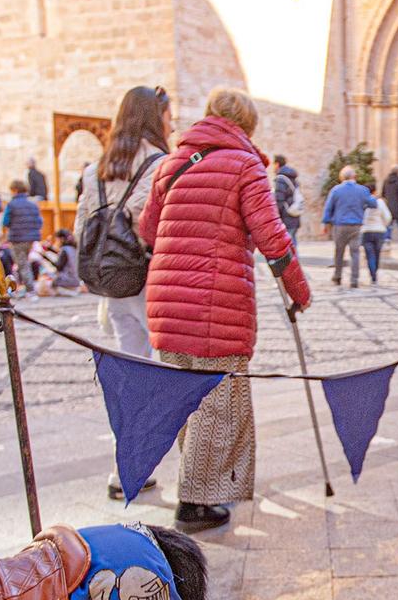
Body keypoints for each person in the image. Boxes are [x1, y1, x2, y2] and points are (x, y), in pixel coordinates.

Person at [138, 86, 313, 531]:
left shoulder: (172, 163)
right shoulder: (245, 165)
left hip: (166, 298)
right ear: (247, 126)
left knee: (183, 395)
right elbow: (272, 236)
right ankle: (195, 501)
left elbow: (148, 230)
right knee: (217, 401)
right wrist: (299, 291)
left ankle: (196, 487)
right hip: (217, 300)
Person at [82, 84, 172, 360]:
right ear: (157, 119)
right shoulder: (163, 166)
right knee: (166, 366)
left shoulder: (94, 171)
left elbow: (81, 227)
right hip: (148, 277)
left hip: (112, 280)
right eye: (170, 117)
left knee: (132, 362)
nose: (172, 126)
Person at [323, 164, 373, 288]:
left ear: (342, 177)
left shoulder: (336, 190)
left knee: (339, 252)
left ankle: (337, 276)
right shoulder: (362, 190)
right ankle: (354, 280)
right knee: (355, 253)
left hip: (340, 225)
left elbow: (328, 208)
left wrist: (325, 222)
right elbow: (373, 203)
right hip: (356, 225)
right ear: (354, 176)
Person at [2, 180, 44, 290]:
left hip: (17, 238)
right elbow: (39, 222)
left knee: (22, 263)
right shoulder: (33, 205)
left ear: (14, 190)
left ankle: (30, 288)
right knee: (25, 261)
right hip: (30, 238)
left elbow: (5, 221)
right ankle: (26, 286)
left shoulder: (11, 205)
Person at [360, 178, 390, 284]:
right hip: (379, 231)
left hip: (366, 231)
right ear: (375, 191)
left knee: (369, 255)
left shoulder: (363, 203)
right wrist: (384, 225)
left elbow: (360, 217)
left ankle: (372, 275)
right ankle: (374, 274)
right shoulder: (380, 202)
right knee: (377, 254)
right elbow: (387, 217)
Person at [272, 155, 304, 250]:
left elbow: (279, 200)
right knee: (293, 244)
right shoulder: (292, 178)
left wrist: (277, 218)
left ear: (277, 164)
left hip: (286, 217)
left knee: (287, 248)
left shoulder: (280, 179)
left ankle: (291, 264)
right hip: (294, 215)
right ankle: (295, 263)